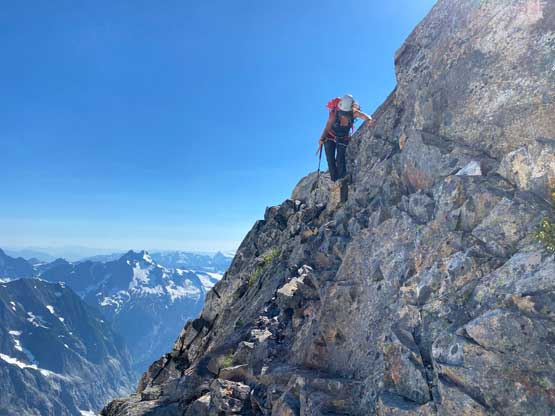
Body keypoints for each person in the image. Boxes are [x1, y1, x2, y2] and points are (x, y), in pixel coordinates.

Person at [316, 94, 375, 182]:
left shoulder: (354, 113)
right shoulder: (334, 114)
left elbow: (364, 116)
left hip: (343, 137)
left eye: (346, 113)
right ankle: (334, 180)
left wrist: (369, 120)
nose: (344, 115)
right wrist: (321, 139)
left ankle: (341, 180)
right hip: (330, 136)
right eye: (342, 113)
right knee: (330, 159)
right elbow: (327, 127)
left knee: (340, 157)